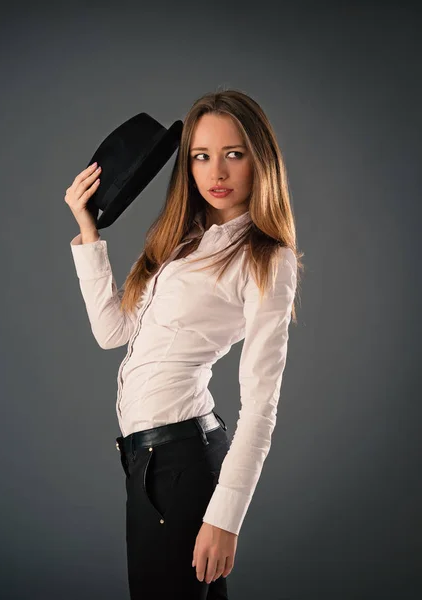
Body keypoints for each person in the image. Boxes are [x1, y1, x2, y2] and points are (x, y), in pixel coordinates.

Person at [64, 89, 302, 600]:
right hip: (145, 461)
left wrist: (226, 517)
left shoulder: (267, 258)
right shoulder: (178, 239)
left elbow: (262, 403)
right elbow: (113, 332)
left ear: (259, 159)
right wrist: (88, 232)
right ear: (187, 165)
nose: (216, 172)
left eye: (233, 154)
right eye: (201, 156)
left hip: (182, 464)